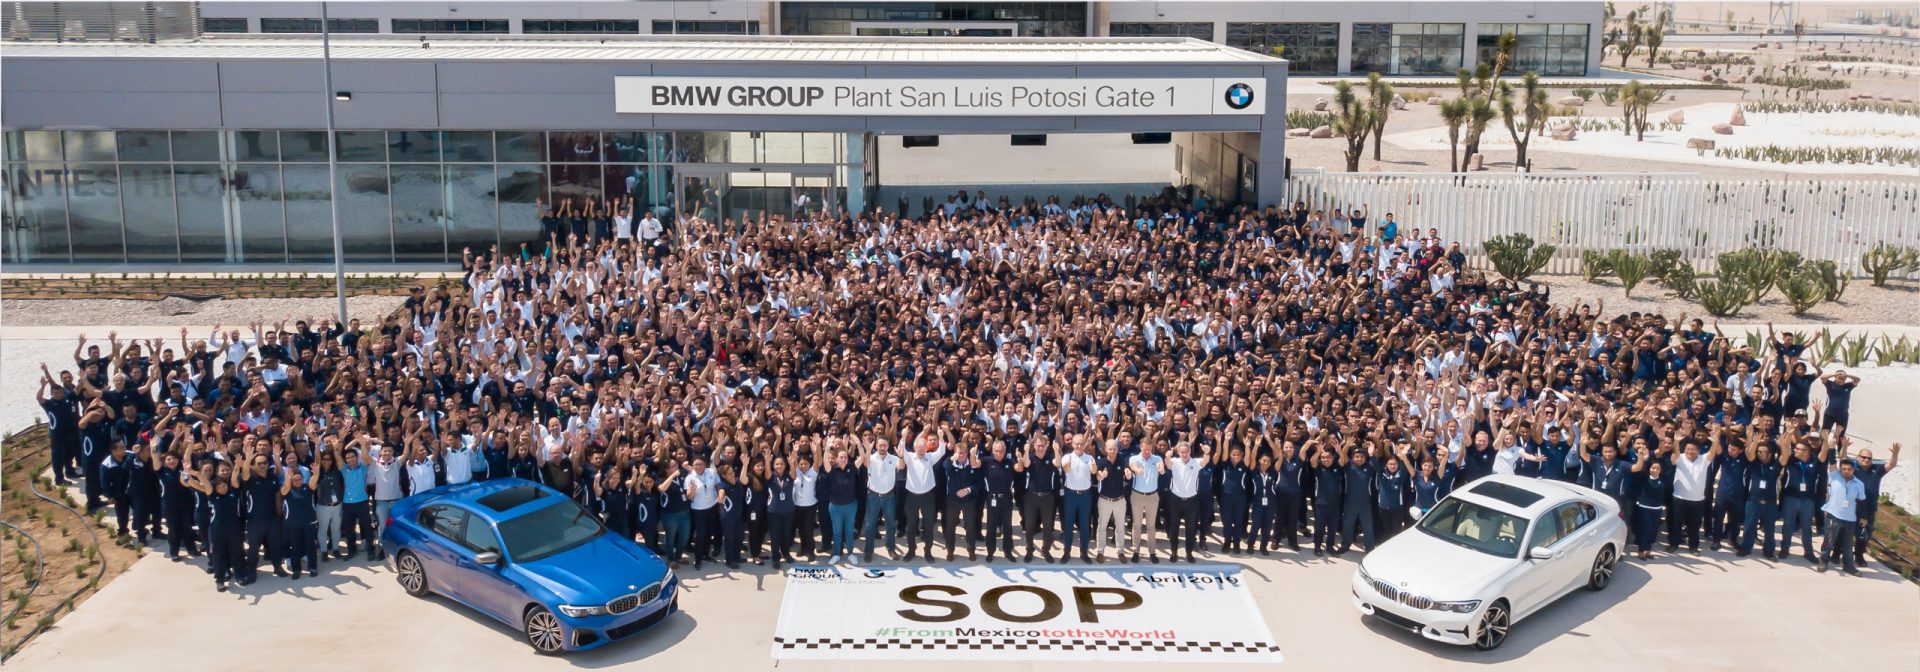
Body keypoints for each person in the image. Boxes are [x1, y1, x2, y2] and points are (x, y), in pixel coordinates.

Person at [1849, 443, 1899, 567]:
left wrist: (1895, 454)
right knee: (1846, 532)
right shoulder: (1852, 468)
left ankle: (1859, 555)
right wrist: (1844, 447)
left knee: (1864, 535)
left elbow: (1891, 465)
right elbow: (1842, 459)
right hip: (1852, 508)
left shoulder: (1876, 469)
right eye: (1864, 457)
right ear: (1857, 457)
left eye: (1869, 458)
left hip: (1869, 509)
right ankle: (1840, 554)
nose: (1866, 460)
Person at [900, 430, 946, 562]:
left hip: (928, 497)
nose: (921, 450)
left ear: (926, 448)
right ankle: (911, 550)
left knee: (928, 526)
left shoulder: (930, 457)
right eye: (919, 448)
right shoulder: (909, 457)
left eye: (923, 448)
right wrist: (903, 436)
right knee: (911, 526)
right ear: (915, 448)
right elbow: (901, 448)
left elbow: (941, 451)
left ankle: (928, 552)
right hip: (912, 497)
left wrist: (941, 437)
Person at [1818, 455, 1867, 575]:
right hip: (1833, 515)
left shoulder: (1859, 484)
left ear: (1853, 470)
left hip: (1850, 518)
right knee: (1829, 540)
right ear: (1840, 469)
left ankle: (1848, 565)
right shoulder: (1835, 476)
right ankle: (1824, 561)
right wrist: (1832, 449)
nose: (1846, 471)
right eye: (1844, 469)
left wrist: (1864, 517)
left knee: (1848, 544)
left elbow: (1862, 501)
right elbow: (1832, 462)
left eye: (1849, 469)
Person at [1016, 437, 1061, 563]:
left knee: (1047, 527)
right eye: (1038, 445)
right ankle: (1029, 550)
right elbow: (1025, 464)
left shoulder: (1050, 457)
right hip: (1031, 497)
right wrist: (1026, 451)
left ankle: (1046, 550)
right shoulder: (1030, 457)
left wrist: (1057, 450)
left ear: (1047, 446)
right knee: (1029, 526)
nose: (1040, 448)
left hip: (1047, 497)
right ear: (1034, 446)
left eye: (1043, 445)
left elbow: (1058, 463)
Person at [858, 440, 902, 563]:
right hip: (873, 496)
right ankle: (868, 551)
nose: (883, 447)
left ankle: (891, 548)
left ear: (888, 446)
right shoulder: (871, 458)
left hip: (889, 496)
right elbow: (866, 464)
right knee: (869, 526)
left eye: (885, 445)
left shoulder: (893, 458)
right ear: (876, 446)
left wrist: (901, 456)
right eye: (880, 445)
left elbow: (902, 466)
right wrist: (867, 449)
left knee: (891, 525)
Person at [1165, 441, 1207, 564]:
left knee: (1191, 529)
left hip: (1191, 501)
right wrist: (1167, 456)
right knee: (1174, 528)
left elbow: (1205, 461)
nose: (1184, 454)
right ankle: (1174, 552)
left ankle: (1189, 553)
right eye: (1182, 452)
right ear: (1178, 452)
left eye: (1187, 451)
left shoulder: (1196, 462)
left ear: (1190, 451)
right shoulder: (1174, 461)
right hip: (1175, 500)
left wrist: (1207, 452)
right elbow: (1168, 464)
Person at [1057, 436, 1098, 563]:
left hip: (1085, 495)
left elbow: (1094, 471)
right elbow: (1066, 469)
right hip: (1071, 495)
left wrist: (1094, 467)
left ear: (1084, 444)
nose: (1079, 446)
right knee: (1068, 525)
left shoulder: (1089, 458)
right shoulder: (1067, 457)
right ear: (1072, 444)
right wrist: (1067, 466)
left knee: (1085, 525)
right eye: (1076, 444)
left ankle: (1084, 552)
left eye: (1081, 443)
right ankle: (1066, 552)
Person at [1126, 440, 1165, 563]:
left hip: (1152, 496)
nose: (1147, 451)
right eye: (1144, 449)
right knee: (1137, 526)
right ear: (1140, 447)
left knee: (1151, 526)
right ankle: (1135, 551)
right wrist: (1137, 470)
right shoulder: (1134, 458)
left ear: (1152, 448)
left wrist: (1161, 469)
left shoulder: (1157, 459)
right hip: (1137, 495)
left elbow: (1161, 468)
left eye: (1149, 449)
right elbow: (1133, 466)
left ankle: (1152, 552)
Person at [1629, 448, 1672, 560]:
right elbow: (1642, 468)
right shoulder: (1644, 478)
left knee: (1653, 531)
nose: (1655, 470)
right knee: (1645, 529)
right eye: (1653, 468)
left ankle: (1648, 550)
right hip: (1644, 508)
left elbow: (1670, 467)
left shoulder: (1662, 479)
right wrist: (1645, 458)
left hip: (1657, 509)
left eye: (1657, 468)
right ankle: (1641, 550)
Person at [1091, 439, 1130, 563]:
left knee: (1120, 527)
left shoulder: (1122, 461)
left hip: (1120, 500)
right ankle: (1100, 552)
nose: (1112, 451)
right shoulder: (1101, 462)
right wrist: (1100, 476)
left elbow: (1128, 474)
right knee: (1102, 527)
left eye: (1114, 449)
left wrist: (1129, 474)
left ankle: (1120, 551)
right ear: (1106, 449)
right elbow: (1097, 474)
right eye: (1110, 449)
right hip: (1104, 500)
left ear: (1117, 449)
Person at [942, 444, 980, 561]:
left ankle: (971, 550)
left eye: (964, 452)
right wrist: (954, 457)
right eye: (959, 453)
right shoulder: (951, 464)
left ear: (968, 452)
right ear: (955, 453)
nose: (962, 455)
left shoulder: (973, 464)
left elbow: (979, 484)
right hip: (953, 501)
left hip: (969, 500)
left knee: (970, 526)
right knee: (950, 527)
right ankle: (950, 550)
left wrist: (967, 490)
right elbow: (945, 466)